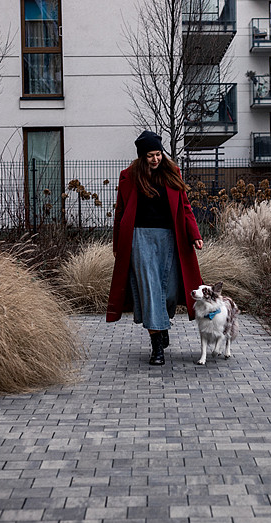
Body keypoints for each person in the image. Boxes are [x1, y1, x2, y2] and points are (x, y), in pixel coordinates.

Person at [106, 130, 204, 365]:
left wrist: (194, 234)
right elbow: (120, 212)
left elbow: (185, 206)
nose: (155, 159)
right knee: (150, 290)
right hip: (139, 239)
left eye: (158, 154)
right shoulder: (129, 176)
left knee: (169, 290)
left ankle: (162, 324)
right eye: (150, 155)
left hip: (170, 238)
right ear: (142, 156)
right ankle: (156, 346)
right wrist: (118, 243)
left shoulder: (172, 173)